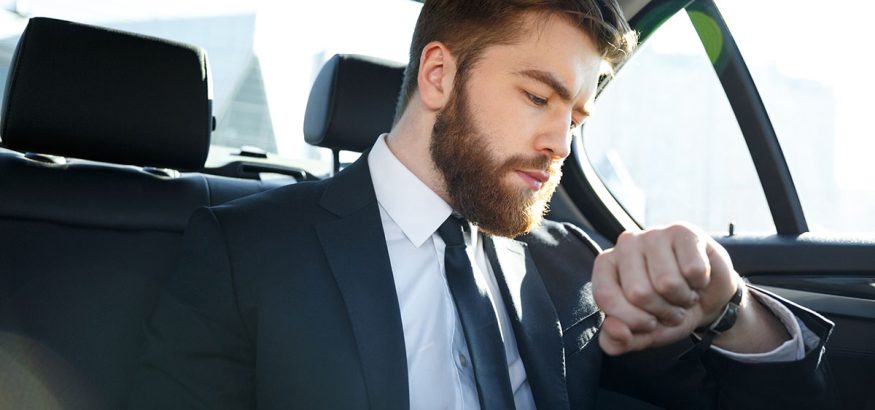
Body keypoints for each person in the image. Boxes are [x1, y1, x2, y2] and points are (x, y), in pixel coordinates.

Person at [130, 0, 833, 409]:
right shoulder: (247, 249)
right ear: (438, 74)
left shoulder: (573, 266)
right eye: (537, 97)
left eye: (578, 118)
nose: (559, 141)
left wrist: (725, 304)